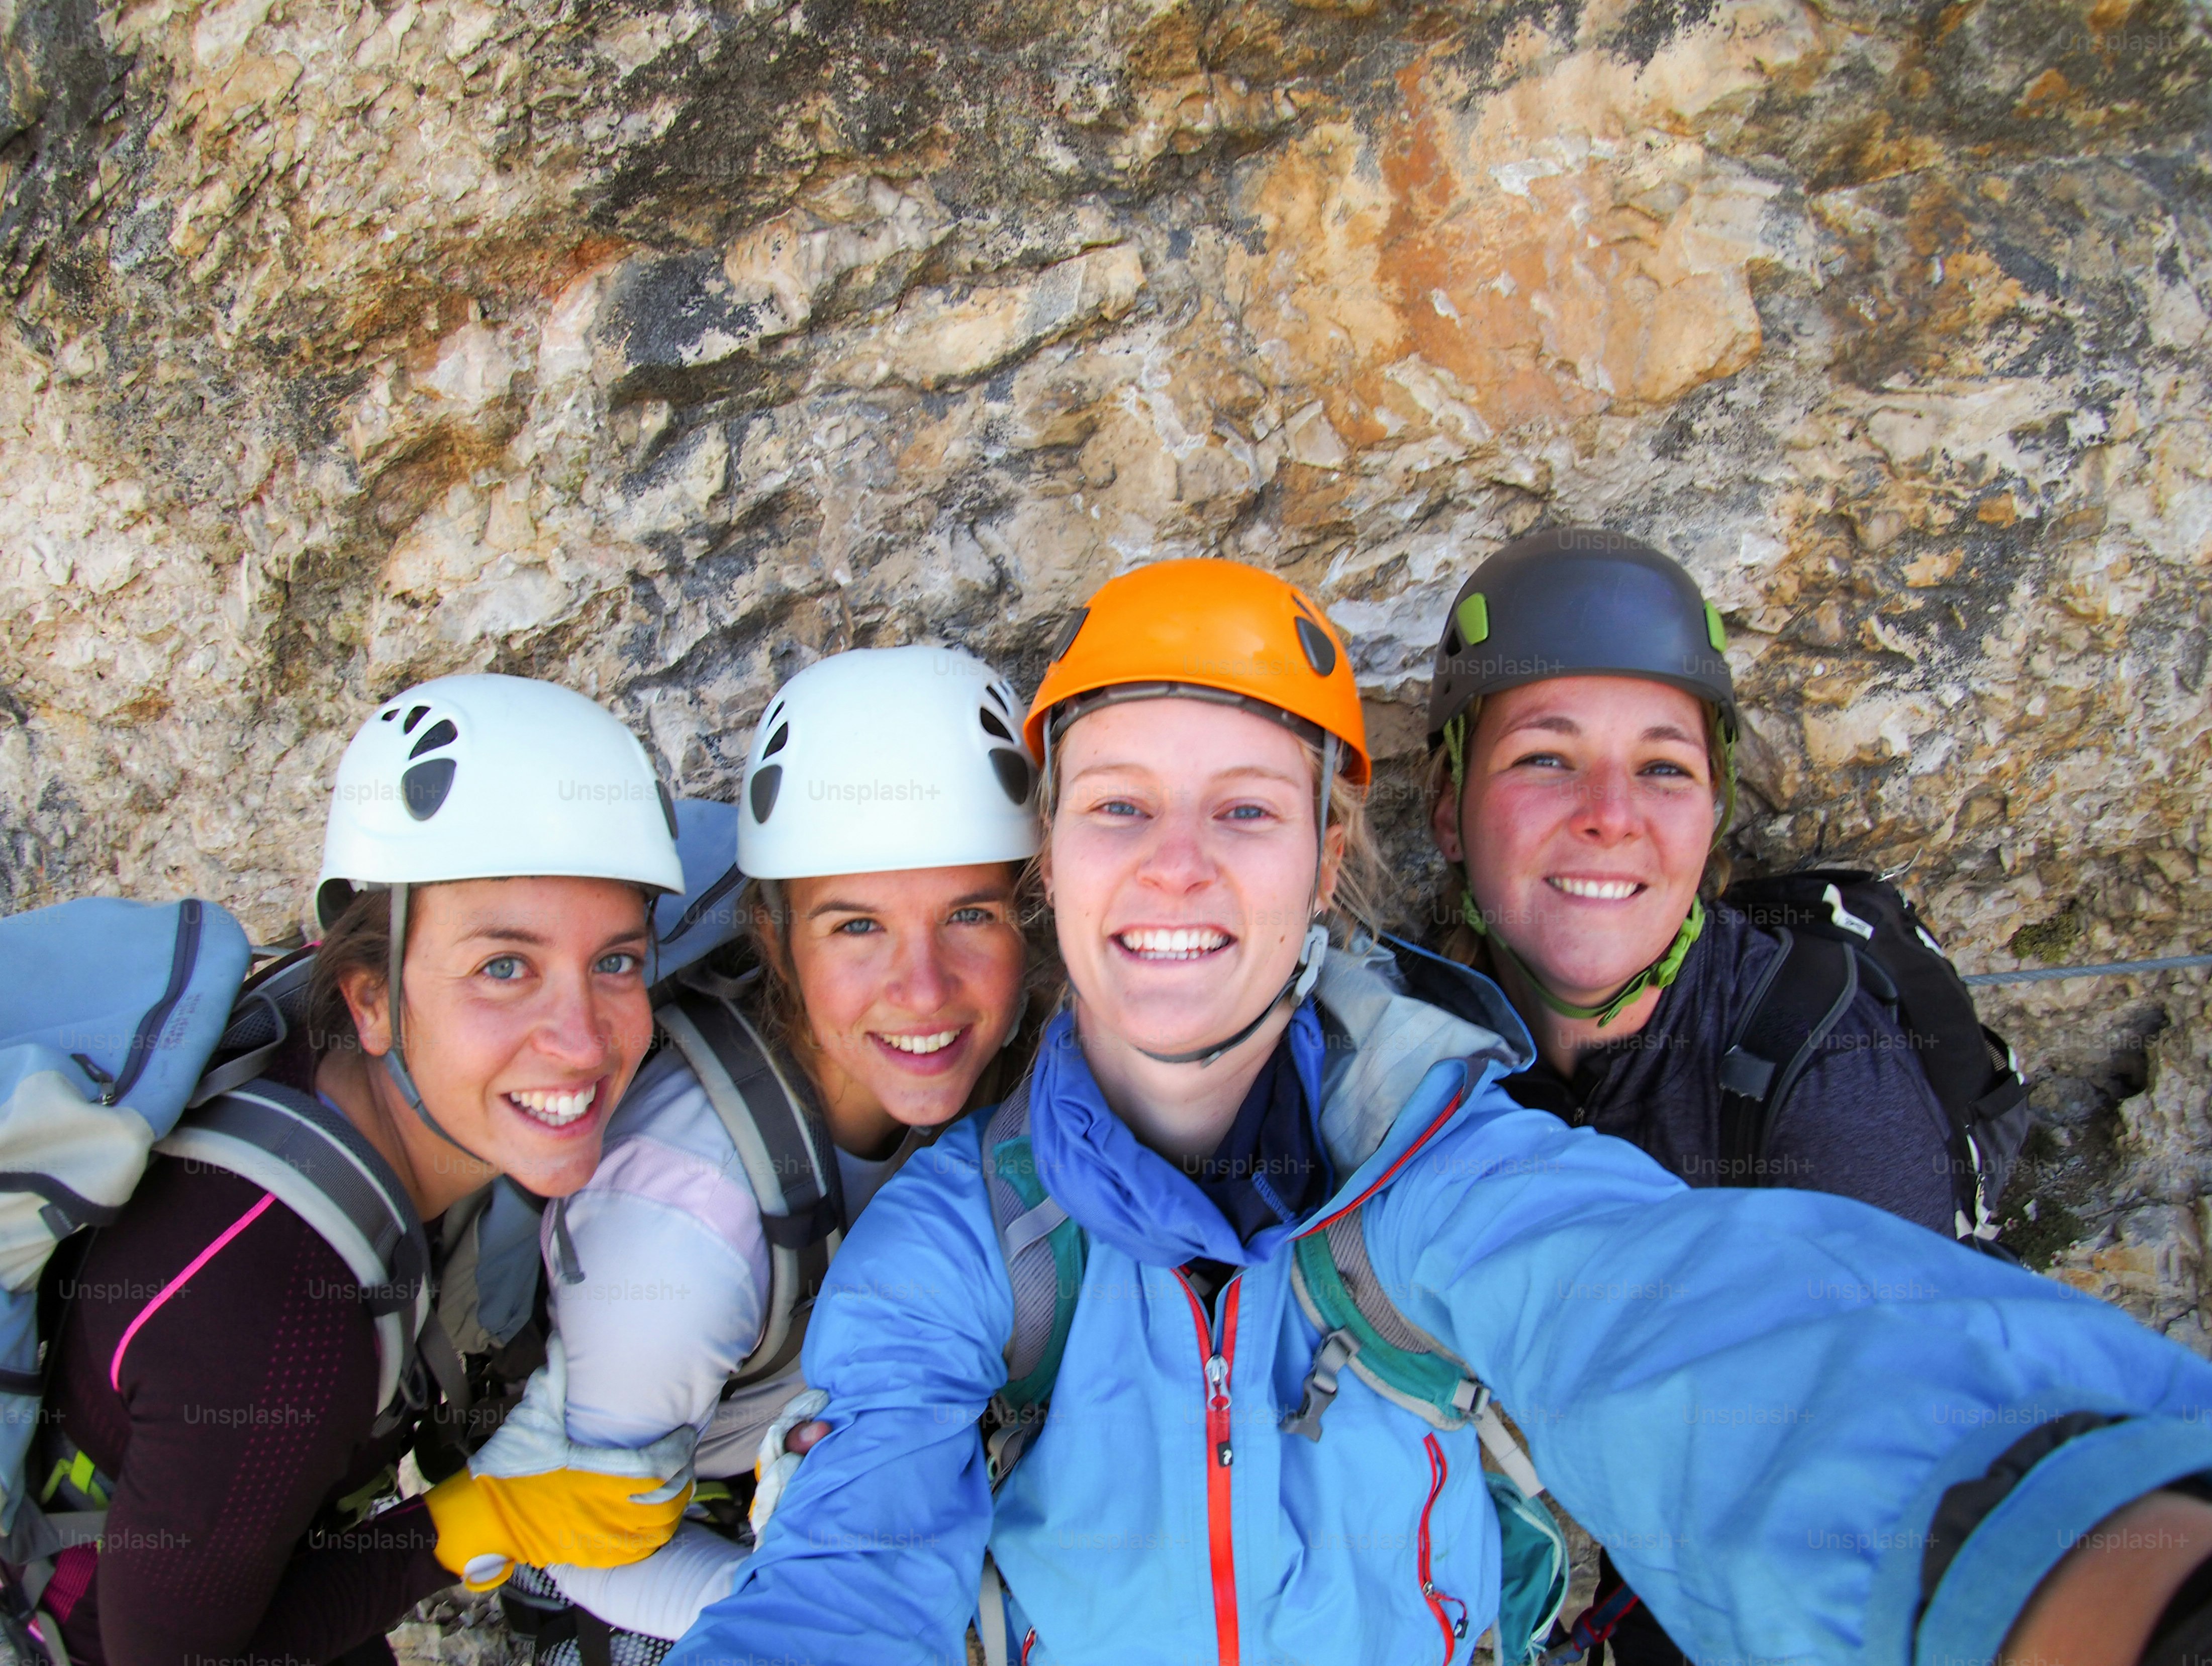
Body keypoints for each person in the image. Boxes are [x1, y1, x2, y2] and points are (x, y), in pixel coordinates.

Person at [665, 557, 2212, 1666]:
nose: (1180, 864)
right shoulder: (960, 1247)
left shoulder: (1445, 1168)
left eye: (1249, 810)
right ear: (1050, 863)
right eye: (1120, 804)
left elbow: (1676, 1320)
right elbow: (851, 1561)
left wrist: (2069, 1544)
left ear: (1326, 859)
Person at [27, 673, 696, 1666]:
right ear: (372, 998)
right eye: (504, 966)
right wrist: (471, 1524)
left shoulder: (307, 1059)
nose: (582, 1037)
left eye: (617, 961)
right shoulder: (281, 1306)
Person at [1423, 529, 1998, 1660]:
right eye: (1544, 755)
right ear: (1447, 809)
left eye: (1663, 766)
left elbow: (1865, 1488)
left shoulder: (1820, 1076)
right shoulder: (1419, 1034)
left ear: (1711, 819)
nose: (1608, 813)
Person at [486, 645, 1043, 1662]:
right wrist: (849, 1606)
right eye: (857, 926)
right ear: (776, 938)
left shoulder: (1017, 1071)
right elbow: (567, 1538)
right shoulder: (683, 1232)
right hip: (664, 1558)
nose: (923, 989)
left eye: (970, 913)